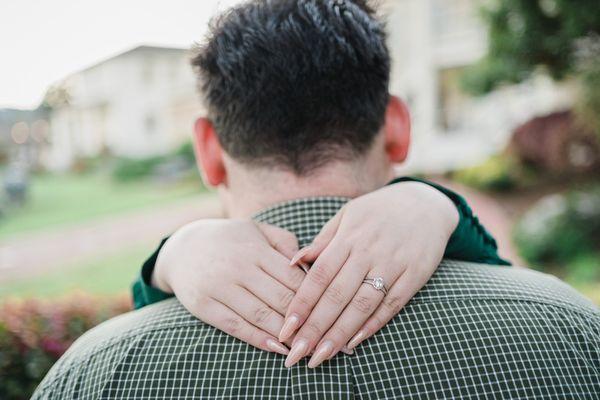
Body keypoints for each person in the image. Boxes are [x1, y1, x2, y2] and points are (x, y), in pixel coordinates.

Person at [33, 1, 599, 398]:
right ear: (397, 128)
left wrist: (162, 265)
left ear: (208, 151)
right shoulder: (569, 328)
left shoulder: (93, 374)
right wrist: (443, 207)